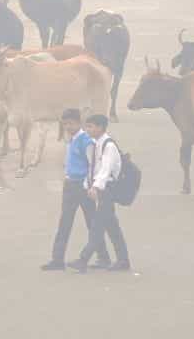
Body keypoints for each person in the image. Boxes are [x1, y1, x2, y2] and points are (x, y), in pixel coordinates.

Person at [42, 109, 111, 271]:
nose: (67, 127)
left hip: (83, 186)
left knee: (92, 223)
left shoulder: (86, 141)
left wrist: (91, 186)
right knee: (64, 223)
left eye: (71, 123)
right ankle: (57, 259)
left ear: (79, 123)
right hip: (70, 185)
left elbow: (93, 166)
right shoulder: (72, 139)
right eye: (65, 124)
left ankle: (103, 257)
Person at [68, 115, 130, 273]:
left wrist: (96, 187)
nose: (88, 129)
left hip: (107, 189)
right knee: (112, 227)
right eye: (87, 126)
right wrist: (88, 184)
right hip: (102, 188)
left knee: (97, 226)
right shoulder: (97, 143)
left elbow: (105, 170)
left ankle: (83, 259)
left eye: (91, 127)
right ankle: (123, 260)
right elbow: (93, 167)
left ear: (101, 128)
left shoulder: (108, 145)